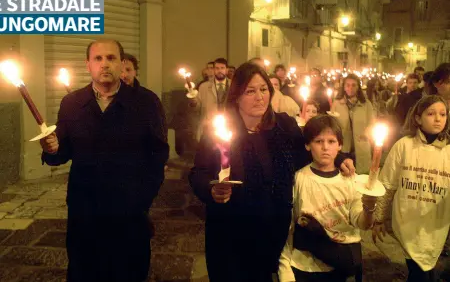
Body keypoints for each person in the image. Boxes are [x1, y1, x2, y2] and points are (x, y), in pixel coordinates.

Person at [188, 62, 356, 282]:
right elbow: (198, 173)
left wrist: (340, 157)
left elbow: (310, 150)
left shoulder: (284, 126)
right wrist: (211, 191)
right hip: (232, 236)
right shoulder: (219, 131)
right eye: (250, 91)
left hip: (273, 235)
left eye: (264, 89)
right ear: (237, 95)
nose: (259, 97)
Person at [40, 39, 169, 282]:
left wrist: (144, 197)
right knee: (84, 269)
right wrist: (52, 148)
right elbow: (63, 152)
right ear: (87, 65)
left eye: (111, 58)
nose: (105, 64)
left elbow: (158, 153)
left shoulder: (146, 102)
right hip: (85, 209)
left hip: (128, 209)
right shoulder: (72, 103)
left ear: (122, 64)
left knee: (128, 269)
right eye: (98, 59)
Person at [279, 115, 376, 282]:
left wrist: (369, 208)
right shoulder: (299, 179)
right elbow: (289, 227)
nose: (325, 147)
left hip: (341, 264)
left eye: (331, 141)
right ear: (307, 145)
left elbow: (361, 223)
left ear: (340, 145)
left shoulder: (351, 180)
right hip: (305, 266)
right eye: (318, 141)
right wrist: (285, 270)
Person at [372, 95, 450, 282]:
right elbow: (388, 184)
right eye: (431, 114)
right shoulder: (404, 146)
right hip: (408, 221)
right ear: (417, 118)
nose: (438, 119)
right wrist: (379, 217)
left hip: (434, 222)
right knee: (418, 271)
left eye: (443, 114)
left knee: (425, 271)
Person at [331, 74, 375, 174]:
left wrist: (367, 134)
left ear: (358, 87)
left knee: (360, 177)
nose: (350, 88)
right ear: (344, 87)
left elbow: (372, 123)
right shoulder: (337, 103)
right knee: (345, 175)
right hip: (343, 148)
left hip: (360, 146)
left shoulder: (366, 104)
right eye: (348, 85)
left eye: (353, 85)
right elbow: (332, 123)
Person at [189, 58, 231, 139]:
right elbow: (197, 107)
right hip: (209, 127)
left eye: (222, 68)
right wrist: (193, 103)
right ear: (214, 70)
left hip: (229, 126)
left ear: (226, 70)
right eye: (217, 68)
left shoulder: (234, 85)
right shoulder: (204, 86)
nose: (219, 71)